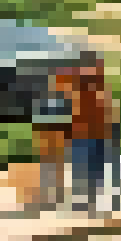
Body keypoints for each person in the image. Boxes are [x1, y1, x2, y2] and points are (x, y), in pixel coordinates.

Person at [68, 59, 119, 215]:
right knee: (83, 169)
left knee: (95, 169)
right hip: (83, 134)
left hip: (96, 134)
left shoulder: (100, 91)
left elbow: (109, 111)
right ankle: (85, 200)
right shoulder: (79, 90)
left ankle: (95, 200)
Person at [30, 69, 77, 211]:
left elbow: (67, 121)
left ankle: (54, 197)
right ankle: (50, 197)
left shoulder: (62, 99)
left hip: (56, 137)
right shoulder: (47, 100)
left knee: (54, 167)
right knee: (49, 167)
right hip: (49, 136)